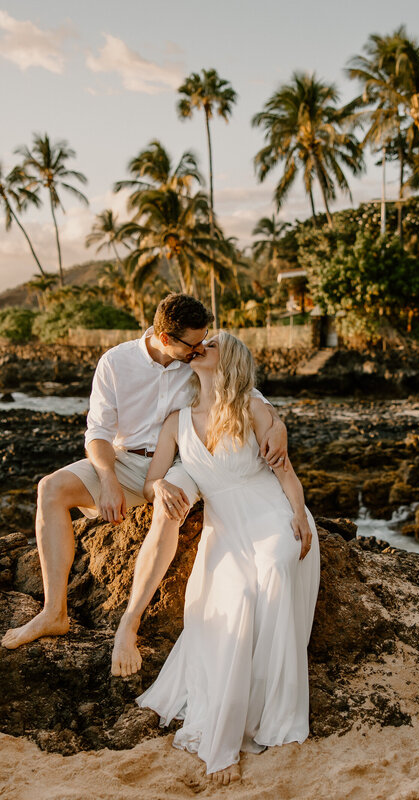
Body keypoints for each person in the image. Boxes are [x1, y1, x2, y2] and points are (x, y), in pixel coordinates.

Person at [1, 294, 288, 670]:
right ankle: (54, 612)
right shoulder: (116, 362)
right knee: (50, 488)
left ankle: (129, 624)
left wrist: (277, 424)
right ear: (165, 337)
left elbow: (246, 391)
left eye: (204, 340)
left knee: (168, 509)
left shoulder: (195, 361)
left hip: (183, 462)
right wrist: (107, 479)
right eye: (194, 342)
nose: (201, 348)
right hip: (123, 460)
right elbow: (98, 433)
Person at [135, 331, 320, 786]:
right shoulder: (176, 421)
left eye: (212, 344)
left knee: (276, 567)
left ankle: (274, 714)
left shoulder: (253, 410)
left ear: (228, 359)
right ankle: (226, 724)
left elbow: (288, 476)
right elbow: (150, 481)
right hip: (226, 527)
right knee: (235, 598)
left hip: (272, 514)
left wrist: (298, 515)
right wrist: (159, 487)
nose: (202, 347)